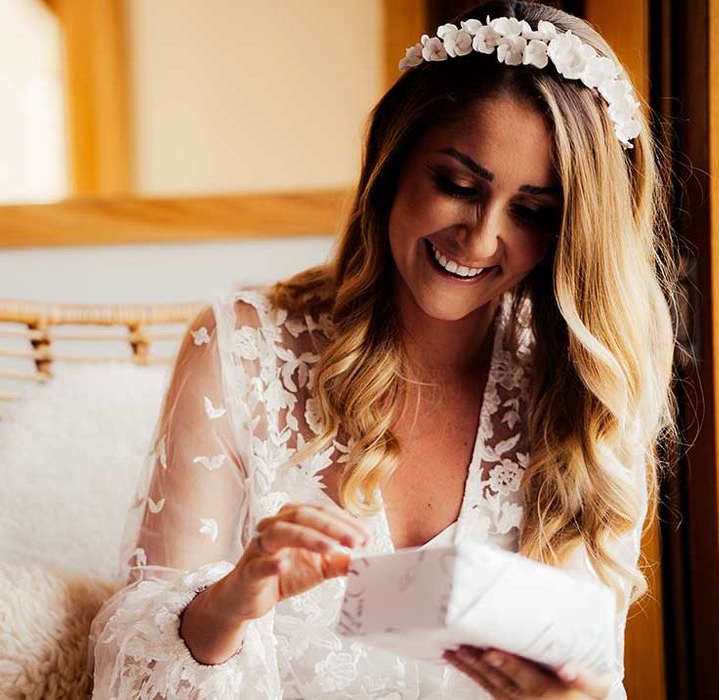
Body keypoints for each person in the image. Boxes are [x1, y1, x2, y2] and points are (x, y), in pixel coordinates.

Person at [87, 0, 677, 697]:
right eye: (458, 185)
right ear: (393, 164)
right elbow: (132, 677)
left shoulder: (583, 396)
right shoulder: (244, 353)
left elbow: (594, 676)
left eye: (531, 212)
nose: (480, 238)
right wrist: (236, 597)